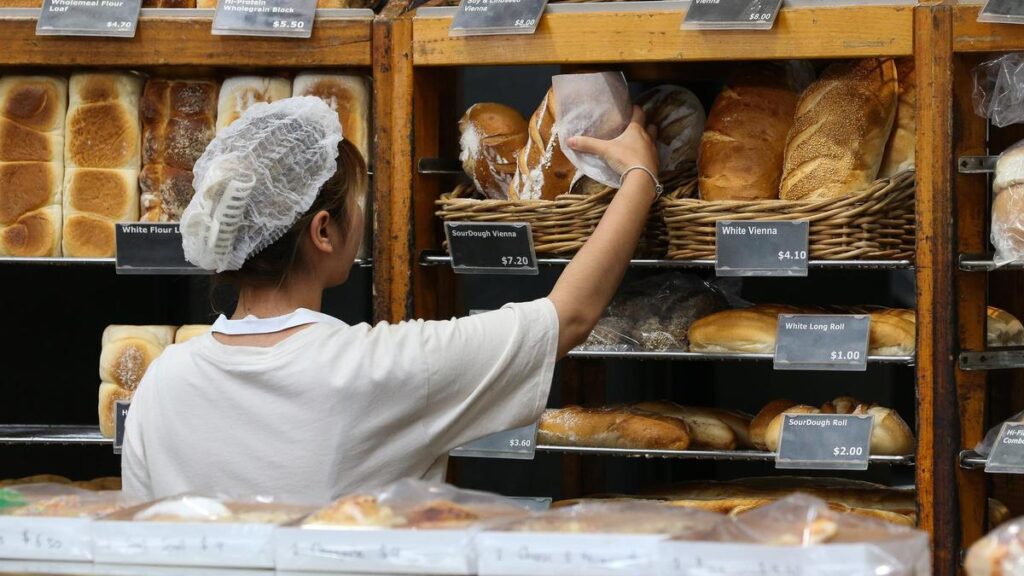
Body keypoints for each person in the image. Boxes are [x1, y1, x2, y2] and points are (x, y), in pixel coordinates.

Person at [122, 95, 660, 502]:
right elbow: (569, 316)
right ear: (323, 231)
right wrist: (639, 176)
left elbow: (138, 537)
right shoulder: (379, 367)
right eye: (360, 202)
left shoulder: (163, 380)